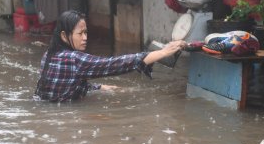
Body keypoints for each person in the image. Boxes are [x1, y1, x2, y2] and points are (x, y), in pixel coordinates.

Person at [34, 10, 186, 102]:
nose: (85, 37)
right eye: (80, 33)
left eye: (86, 32)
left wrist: (100, 88)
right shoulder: (75, 59)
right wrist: (164, 52)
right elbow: (114, 64)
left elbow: (66, 85)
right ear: (64, 36)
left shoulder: (49, 54)